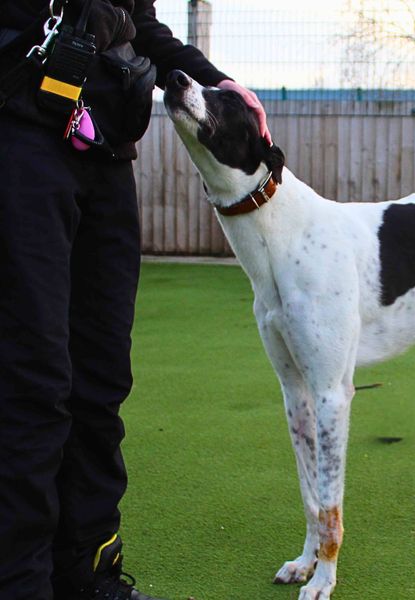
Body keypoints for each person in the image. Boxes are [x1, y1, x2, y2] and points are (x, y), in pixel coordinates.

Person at [0, 1, 270, 598]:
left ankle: (90, 574)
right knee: (32, 385)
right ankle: (21, 583)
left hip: (105, 151)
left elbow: (142, 26)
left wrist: (216, 78)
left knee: (100, 381)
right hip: (19, 137)